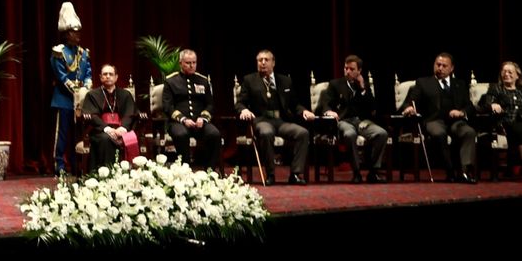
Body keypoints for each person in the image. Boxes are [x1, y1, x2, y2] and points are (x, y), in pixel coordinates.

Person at [236, 49, 315, 184]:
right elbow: (240, 102)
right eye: (260, 60)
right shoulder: (249, 80)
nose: (263, 63)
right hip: (262, 120)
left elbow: (294, 104)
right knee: (266, 132)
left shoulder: (285, 81)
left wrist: (304, 111)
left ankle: (295, 174)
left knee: (303, 133)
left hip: (281, 121)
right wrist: (243, 110)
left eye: (266, 60)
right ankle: (271, 174)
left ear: (273, 63)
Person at [400, 52, 476, 183]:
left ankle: (464, 172)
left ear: (452, 68)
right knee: (439, 133)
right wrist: (409, 108)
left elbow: (469, 106)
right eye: (437, 65)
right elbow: (409, 101)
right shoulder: (423, 83)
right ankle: (450, 171)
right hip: (433, 120)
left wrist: (462, 112)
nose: (440, 68)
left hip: (456, 121)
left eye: (444, 66)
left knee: (469, 132)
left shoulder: (460, 84)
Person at [319, 54, 388, 182]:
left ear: (359, 71)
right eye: (346, 68)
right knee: (350, 134)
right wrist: (329, 112)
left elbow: (373, 107)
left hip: (362, 122)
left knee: (382, 133)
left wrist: (362, 88)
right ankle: (357, 172)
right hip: (344, 121)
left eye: (351, 69)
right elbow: (325, 103)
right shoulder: (335, 84)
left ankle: (373, 171)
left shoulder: (364, 86)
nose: (348, 71)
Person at [49, 2, 90, 179]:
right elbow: (62, 77)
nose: (78, 35)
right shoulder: (59, 52)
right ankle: (59, 164)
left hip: (81, 100)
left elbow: (88, 72)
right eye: (74, 32)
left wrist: (87, 87)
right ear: (67, 34)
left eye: (79, 31)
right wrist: (76, 91)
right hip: (64, 98)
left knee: (78, 133)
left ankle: (76, 163)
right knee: (63, 133)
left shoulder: (83, 52)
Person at [162, 48, 221, 169]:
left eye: (194, 62)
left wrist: (203, 118)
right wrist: (183, 119)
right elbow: (167, 106)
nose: (191, 66)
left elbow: (210, 104)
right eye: (188, 63)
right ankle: (185, 169)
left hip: (199, 122)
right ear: (180, 63)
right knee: (181, 134)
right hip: (178, 122)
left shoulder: (203, 81)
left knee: (214, 134)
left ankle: (210, 170)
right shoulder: (171, 81)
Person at [80, 63, 136, 170]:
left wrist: (123, 128)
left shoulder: (125, 94)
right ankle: (107, 173)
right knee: (106, 139)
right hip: (100, 131)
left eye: (111, 74)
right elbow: (91, 115)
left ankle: (128, 174)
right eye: (105, 74)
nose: (108, 76)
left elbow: (130, 113)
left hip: (122, 129)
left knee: (131, 138)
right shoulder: (92, 95)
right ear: (100, 77)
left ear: (116, 77)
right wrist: (107, 129)